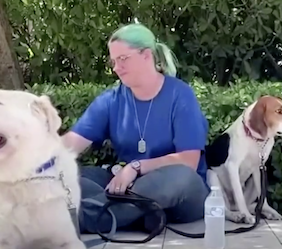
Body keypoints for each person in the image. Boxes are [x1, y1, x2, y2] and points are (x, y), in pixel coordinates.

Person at [61, 22, 211, 235]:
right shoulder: (111, 100)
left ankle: (79, 219)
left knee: (178, 176)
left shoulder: (180, 95)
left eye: (123, 59)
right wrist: (34, 159)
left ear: (147, 56)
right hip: (126, 184)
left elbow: (188, 161)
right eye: (113, 61)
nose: (116, 67)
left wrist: (135, 168)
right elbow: (71, 144)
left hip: (181, 192)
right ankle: (144, 214)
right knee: (69, 176)